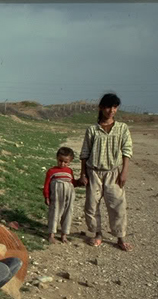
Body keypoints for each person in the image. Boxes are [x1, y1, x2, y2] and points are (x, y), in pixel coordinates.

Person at [79, 93, 133, 251]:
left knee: (117, 205)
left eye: (115, 107)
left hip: (113, 173)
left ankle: (120, 238)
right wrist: (83, 174)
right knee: (91, 205)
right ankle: (98, 234)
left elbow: (127, 151)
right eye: (108, 107)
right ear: (101, 108)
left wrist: (124, 172)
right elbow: (84, 153)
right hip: (93, 172)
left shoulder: (122, 128)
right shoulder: (92, 130)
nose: (111, 110)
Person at [43, 147, 79, 243]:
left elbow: (73, 183)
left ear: (70, 161)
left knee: (68, 213)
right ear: (57, 158)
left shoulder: (70, 171)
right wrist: (46, 196)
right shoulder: (51, 171)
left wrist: (80, 182)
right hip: (56, 196)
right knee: (54, 213)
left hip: (69, 195)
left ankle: (64, 235)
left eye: (65, 162)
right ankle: (51, 234)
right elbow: (46, 185)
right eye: (60, 161)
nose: (62, 164)